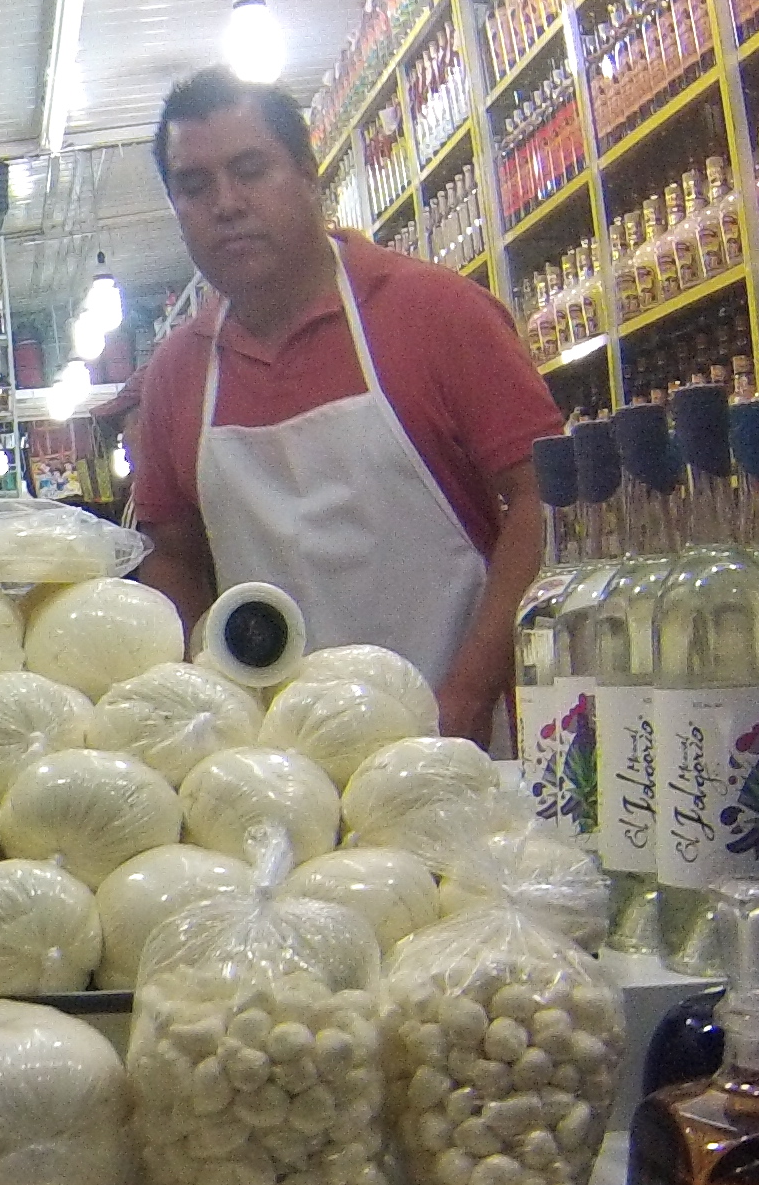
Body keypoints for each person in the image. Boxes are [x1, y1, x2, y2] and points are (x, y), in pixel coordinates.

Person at [132, 66, 563, 746]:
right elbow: (173, 559)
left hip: (457, 740)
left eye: (250, 170)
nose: (226, 203)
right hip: (279, 760)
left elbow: (545, 499)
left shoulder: (436, 313)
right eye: (194, 186)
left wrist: (469, 693)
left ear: (308, 176)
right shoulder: (175, 374)